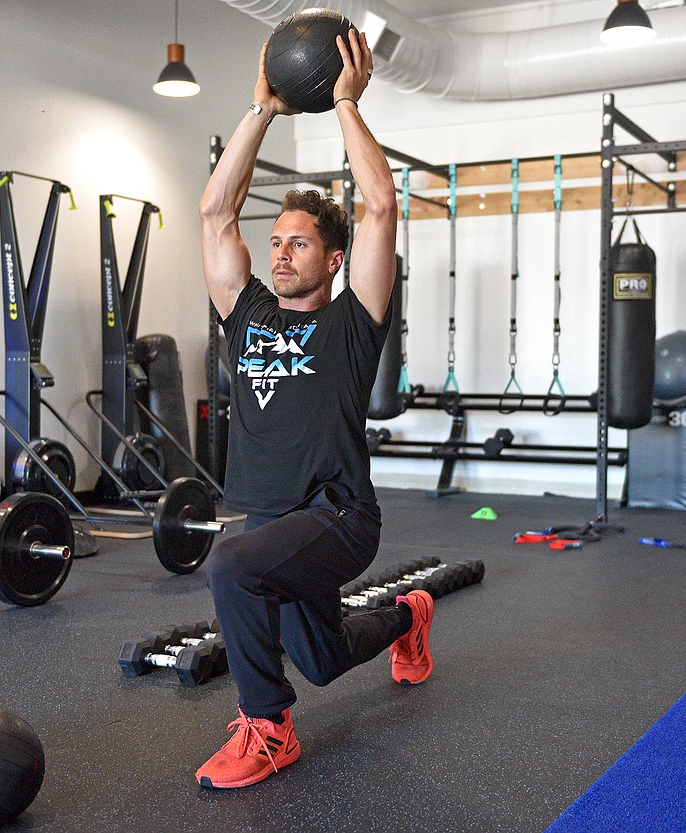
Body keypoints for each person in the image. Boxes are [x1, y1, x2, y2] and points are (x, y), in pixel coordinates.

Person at [194, 29, 435, 790]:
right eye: (277, 242)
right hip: (274, 521)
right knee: (325, 659)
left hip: (337, 514)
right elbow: (213, 215)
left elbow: (379, 204)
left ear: (332, 260)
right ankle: (410, 617)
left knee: (230, 565)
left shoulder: (351, 321)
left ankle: (267, 728)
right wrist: (260, 110)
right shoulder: (249, 312)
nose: (280, 253)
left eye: (299, 244)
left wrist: (343, 102)